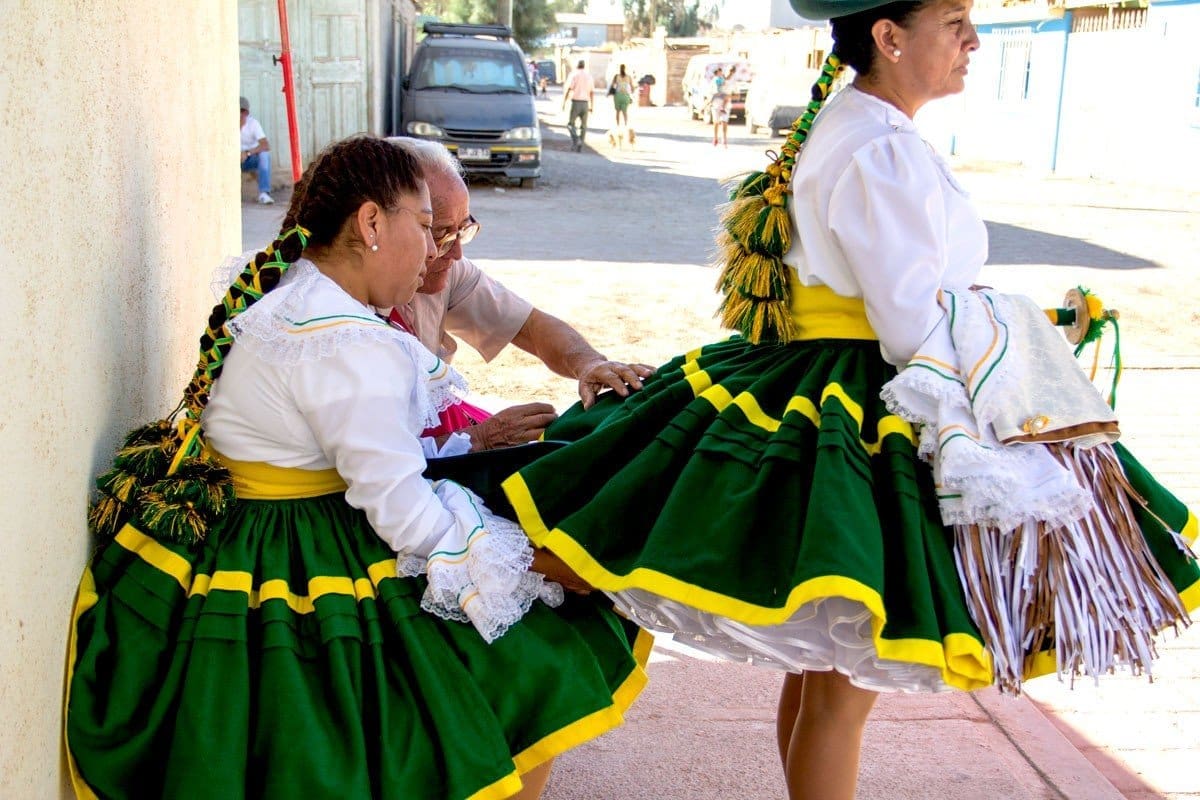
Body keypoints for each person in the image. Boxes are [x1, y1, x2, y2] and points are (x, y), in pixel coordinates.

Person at [499, 1, 1200, 799]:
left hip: (830, 378)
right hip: (870, 396)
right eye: (954, 21)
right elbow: (908, 320)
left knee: (826, 671)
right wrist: (1010, 341)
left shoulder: (857, 127)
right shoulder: (879, 147)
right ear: (889, 37)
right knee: (841, 683)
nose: (973, 40)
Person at [64, 135, 650, 800]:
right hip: (289, 542)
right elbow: (402, 511)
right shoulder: (343, 340)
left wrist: (465, 464)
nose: (435, 254)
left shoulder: (298, 292)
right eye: (426, 228)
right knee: (522, 666)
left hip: (271, 519)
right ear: (371, 223)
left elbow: (366, 457)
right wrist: (533, 566)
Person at [383, 136, 655, 449]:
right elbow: (373, 456)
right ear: (378, 227)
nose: (456, 253)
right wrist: (480, 439)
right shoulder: (347, 318)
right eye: (442, 233)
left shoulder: (445, 266)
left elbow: (529, 326)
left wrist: (589, 363)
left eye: (463, 230)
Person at [239, 95, 274, 205]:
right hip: (231, 160)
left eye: (242, 111)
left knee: (264, 155)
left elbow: (265, 145)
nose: (239, 114)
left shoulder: (253, 124)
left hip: (248, 160)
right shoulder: (225, 124)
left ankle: (264, 193)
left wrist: (247, 153)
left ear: (246, 113)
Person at [562, 59, 594, 152]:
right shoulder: (589, 76)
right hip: (585, 103)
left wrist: (564, 102)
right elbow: (592, 92)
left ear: (577, 65)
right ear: (584, 66)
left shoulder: (574, 75)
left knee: (571, 124)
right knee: (583, 126)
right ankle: (581, 143)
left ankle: (576, 140)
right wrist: (592, 106)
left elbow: (569, 88)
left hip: (576, 102)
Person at [708, 66, 729, 147]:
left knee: (724, 121)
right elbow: (715, 90)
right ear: (717, 73)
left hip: (722, 101)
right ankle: (716, 138)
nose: (721, 73)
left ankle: (724, 139)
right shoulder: (716, 79)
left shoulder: (721, 78)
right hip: (716, 102)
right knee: (716, 122)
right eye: (720, 72)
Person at [609, 64, 635, 129]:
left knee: (617, 112)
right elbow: (632, 88)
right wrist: (631, 93)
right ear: (625, 69)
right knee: (625, 112)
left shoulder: (616, 76)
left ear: (619, 69)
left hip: (618, 96)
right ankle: (626, 125)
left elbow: (612, 85)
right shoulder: (628, 77)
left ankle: (618, 126)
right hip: (626, 96)